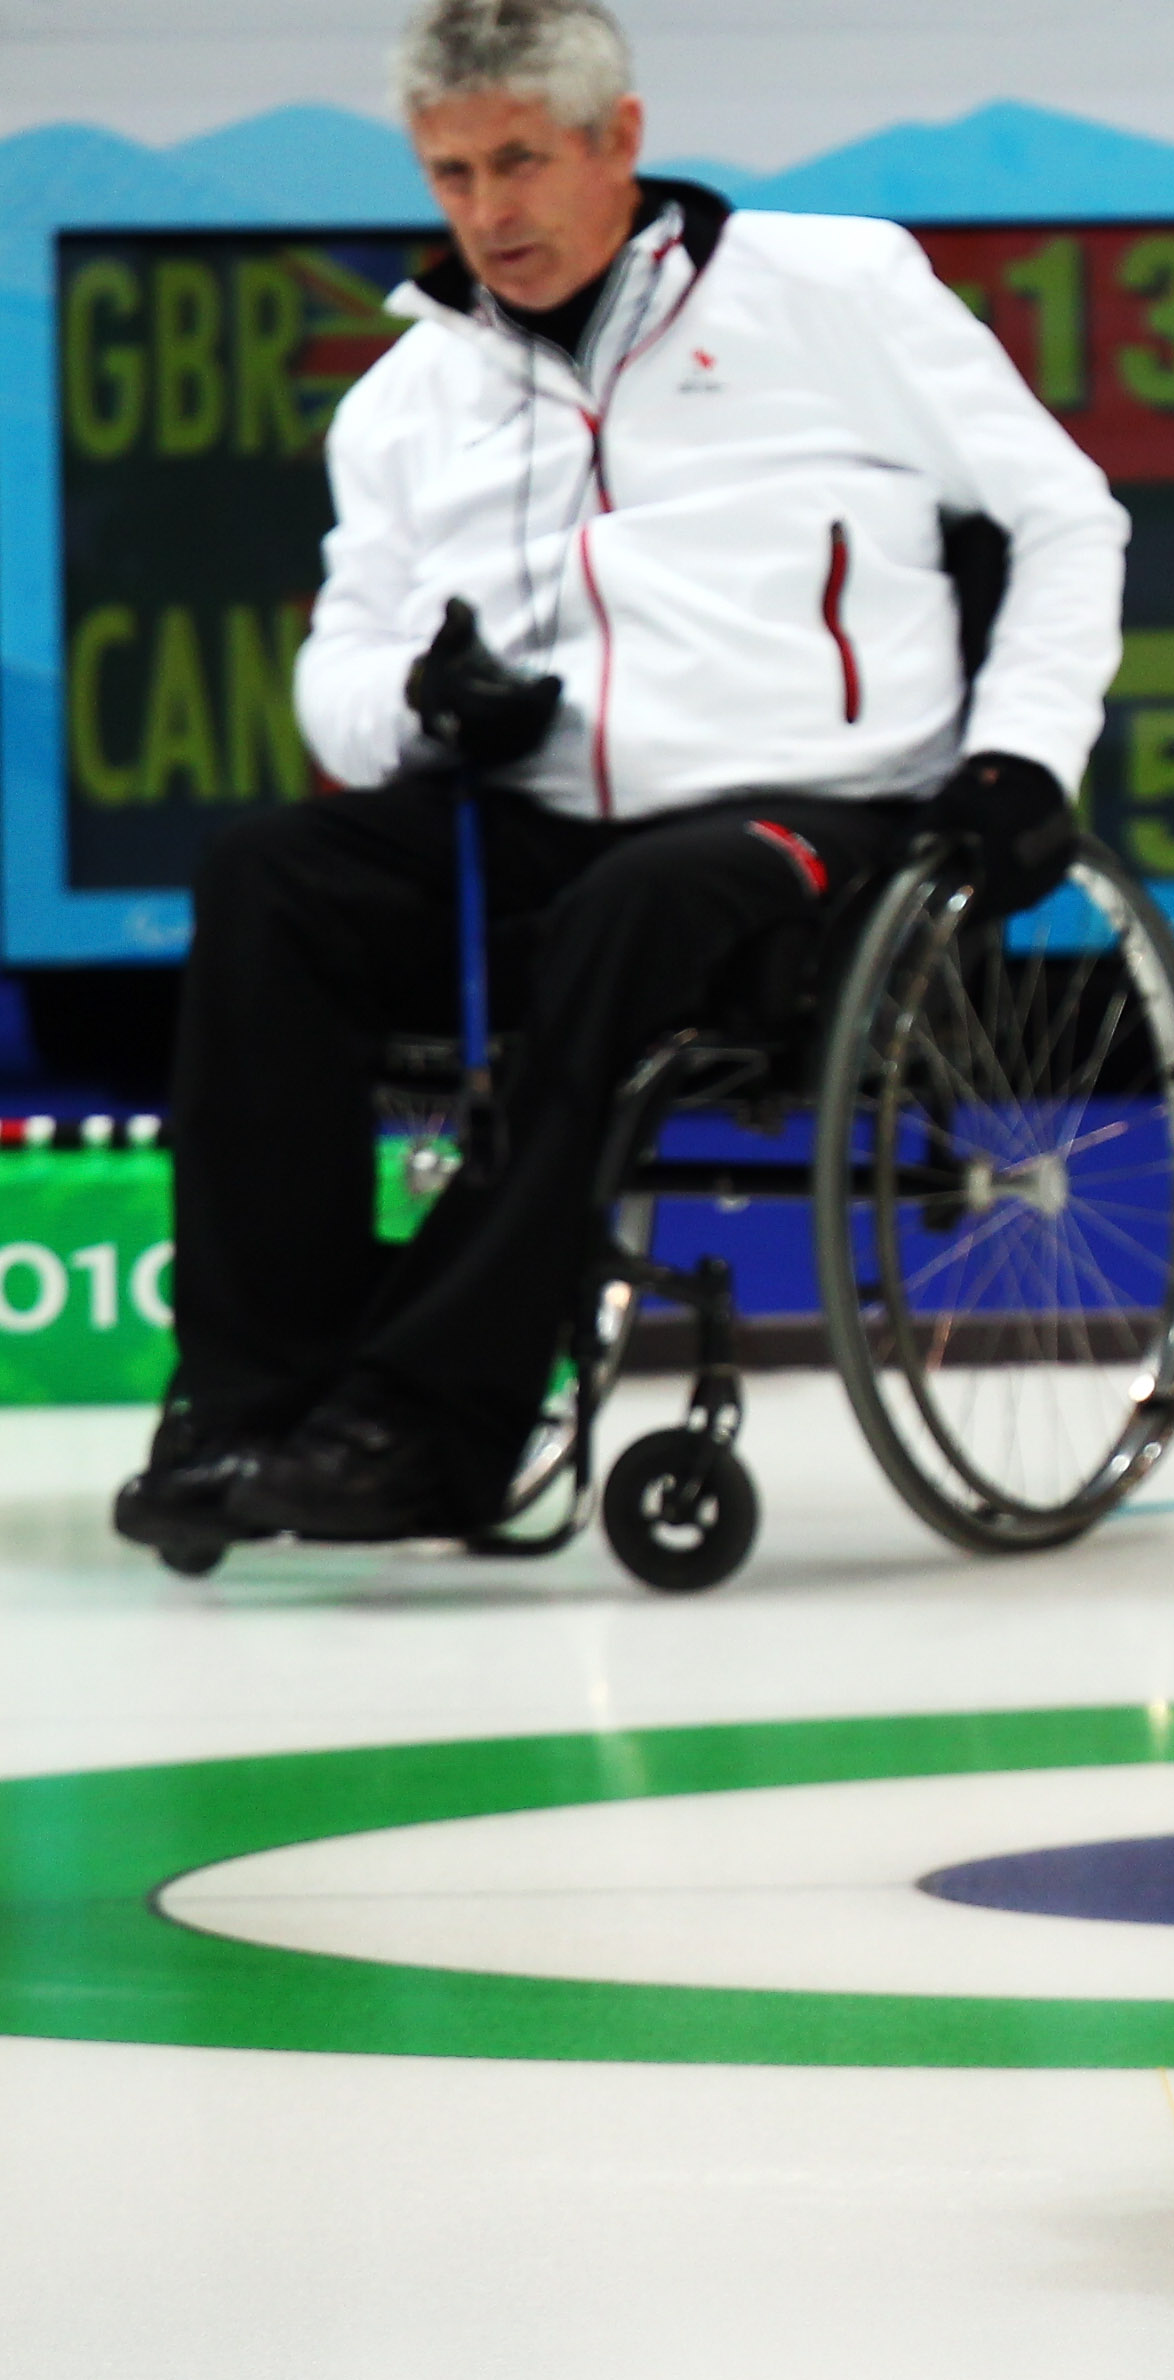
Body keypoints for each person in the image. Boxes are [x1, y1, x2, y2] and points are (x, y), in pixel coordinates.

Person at [115, 0, 1123, 1563]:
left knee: (645, 904)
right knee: (267, 877)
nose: (487, 212)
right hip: (536, 823)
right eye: (451, 174)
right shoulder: (407, 400)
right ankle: (252, 1398)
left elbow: (1066, 516)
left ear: (619, 141)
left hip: (815, 819)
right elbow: (341, 662)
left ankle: (428, 1425)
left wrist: (1025, 754)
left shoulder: (835, 290)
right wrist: (418, 701)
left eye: (518, 161)